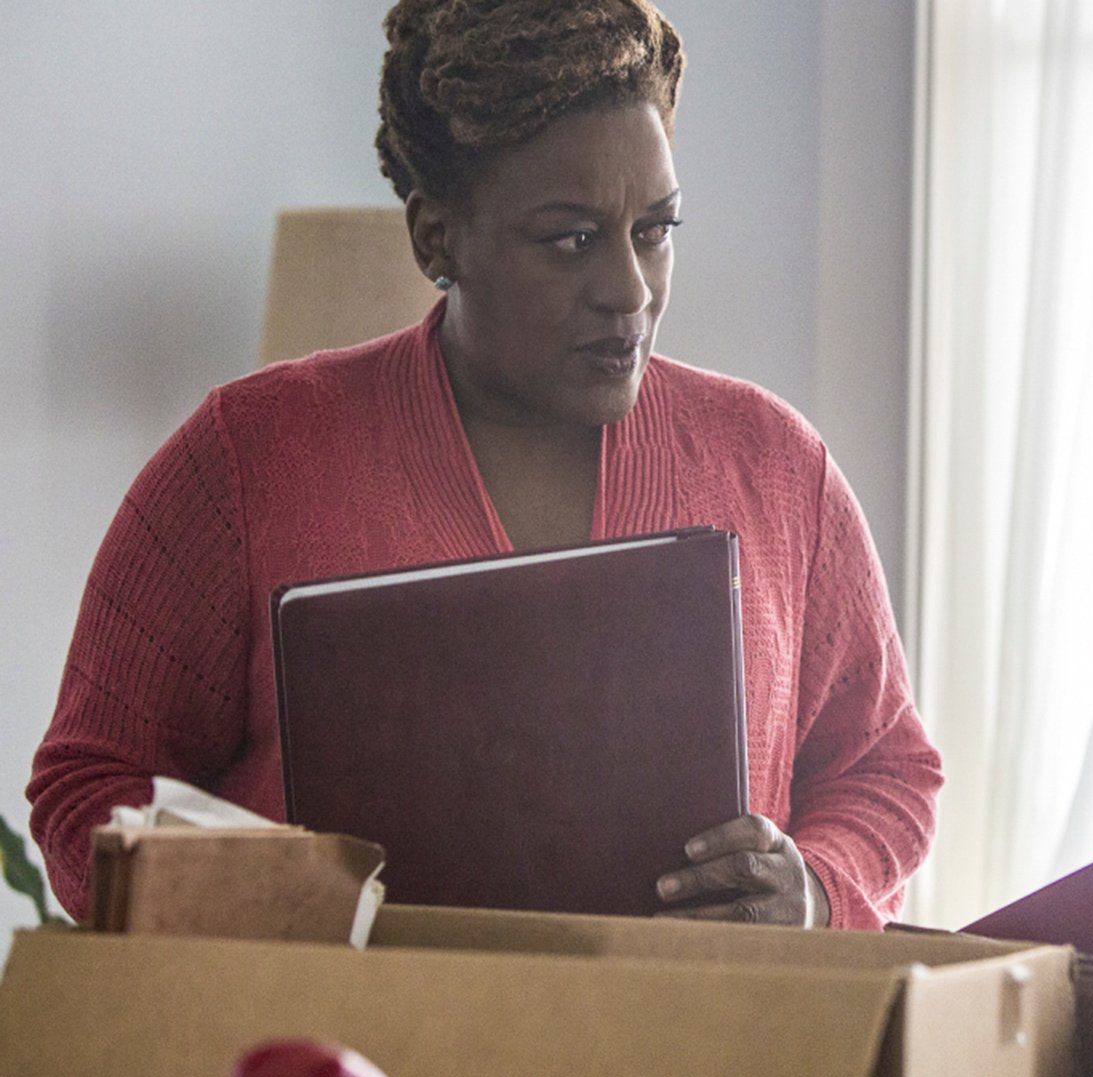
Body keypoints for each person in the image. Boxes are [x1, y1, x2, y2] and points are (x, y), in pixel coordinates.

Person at [27, 0, 941, 932]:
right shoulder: (251, 461)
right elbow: (85, 789)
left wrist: (817, 888)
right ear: (436, 239)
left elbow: (887, 770)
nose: (628, 289)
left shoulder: (777, 469)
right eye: (571, 239)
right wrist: (281, 911)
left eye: (654, 230)